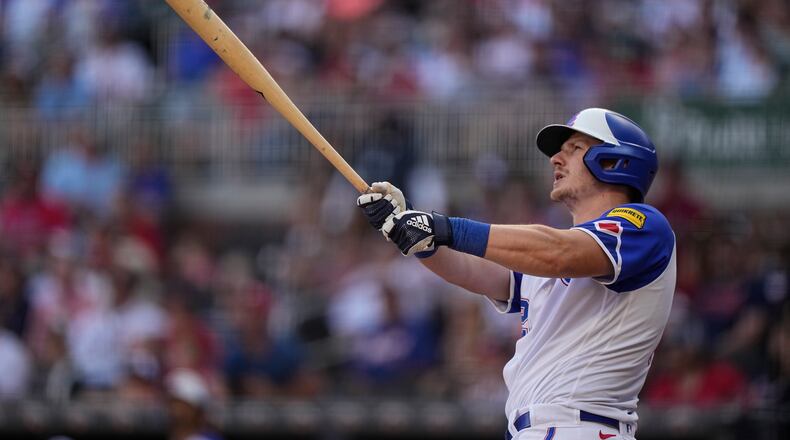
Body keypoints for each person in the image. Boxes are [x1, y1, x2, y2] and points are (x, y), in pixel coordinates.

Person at [356, 108, 676, 440]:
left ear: (613, 162)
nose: (556, 159)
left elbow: (559, 253)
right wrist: (412, 231)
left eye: (575, 149)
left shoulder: (644, 225)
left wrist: (444, 228)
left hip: (582, 425)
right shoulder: (551, 252)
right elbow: (474, 271)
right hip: (541, 427)